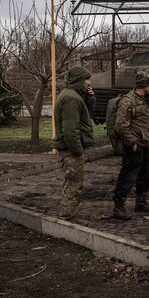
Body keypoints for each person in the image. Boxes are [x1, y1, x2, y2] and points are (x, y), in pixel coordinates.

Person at [112, 71, 149, 220]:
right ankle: (119, 206)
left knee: (146, 175)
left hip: (146, 145)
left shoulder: (146, 100)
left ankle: (141, 202)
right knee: (128, 176)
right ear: (144, 86)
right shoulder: (127, 101)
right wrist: (131, 142)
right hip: (134, 147)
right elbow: (121, 125)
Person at [52, 65, 95, 220]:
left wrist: (89, 99)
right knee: (74, 184)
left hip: (72, 148)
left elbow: (84, 117)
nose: (89, 82)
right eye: (86, 79)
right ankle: (66, 218)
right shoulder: (71, 98)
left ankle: (66, 214)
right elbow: (71, 129)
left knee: (72, 182)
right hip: (72, 149)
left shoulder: (74, 96)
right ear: (79, 80)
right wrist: (77, 150)